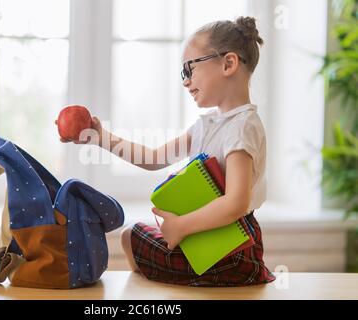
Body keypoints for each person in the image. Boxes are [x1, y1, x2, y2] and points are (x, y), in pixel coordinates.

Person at [61, 16, 275, 286]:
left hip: (230, 249)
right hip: (207, 239)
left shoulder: (241, 128)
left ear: (228, 63)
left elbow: (236, 203)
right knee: (130, 237)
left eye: (189, 69)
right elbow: (153, 158)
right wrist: (102, 138)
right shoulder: (208, 126)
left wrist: (182, 226)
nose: (185, 81)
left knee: (131, 238)